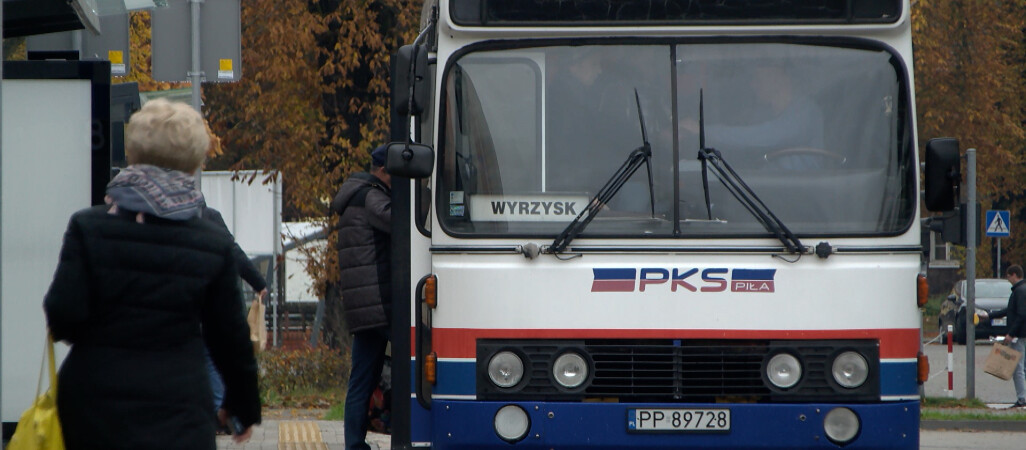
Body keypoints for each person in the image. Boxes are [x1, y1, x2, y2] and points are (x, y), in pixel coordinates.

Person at [43, 98, 261, 449]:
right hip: (179, 404)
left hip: (94, 401)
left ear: (133, 152)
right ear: (195, 161)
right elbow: (230, 339)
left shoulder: (89, 227)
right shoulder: (211, 242)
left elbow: (62, 315)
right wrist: (242, 407)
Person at [331, 144, 393, 450]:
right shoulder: (372, 196)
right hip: (380, 303)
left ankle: (354, 444)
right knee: (417, 364)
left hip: (363, 306)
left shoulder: (356, 194)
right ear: (382, 171)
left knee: (361, 380)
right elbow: (400, 223)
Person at [201, 205, 269, 421]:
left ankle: (220, 411)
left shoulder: (167, 220)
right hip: (211, 306)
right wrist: (258, 283)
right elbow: (233, 252)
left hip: (188, 306)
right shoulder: (210, 217)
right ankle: (224, 412)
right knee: (214, 357)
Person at [987, 264, 1026, 408]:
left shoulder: (1019, 291)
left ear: (1014, 275)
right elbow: (1009, 310)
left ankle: (1022, 399)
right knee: (1023, 366)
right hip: (1022, 334)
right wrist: (989, 315)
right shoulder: (1020, 290)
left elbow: (1021, 314)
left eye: (1008, 276)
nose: (1008, 279)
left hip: (1019, 335)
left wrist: (1011, 333)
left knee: (1018, 367)